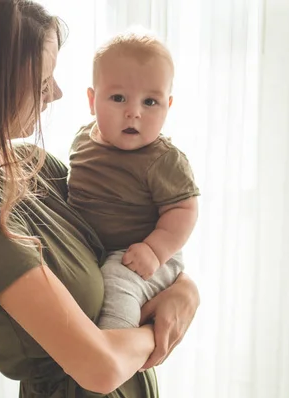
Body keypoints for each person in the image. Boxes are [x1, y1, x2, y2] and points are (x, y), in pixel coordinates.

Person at [0, 0, 199, 397]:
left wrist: (185, 290)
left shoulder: (36, 166)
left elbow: (126, 232)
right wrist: (164, 323)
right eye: (43, 80)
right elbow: (99, 368)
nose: (58, 93)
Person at [68, 32, 199, 330]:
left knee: (117, 280)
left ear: (168, 105)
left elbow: (184, 210)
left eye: (150, 102)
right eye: (118, 98)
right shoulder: (82, 141)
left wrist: (154, 250)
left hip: (146, 254)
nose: (134, 113)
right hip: (94, 249)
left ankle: (115, 343)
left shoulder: (162, 159)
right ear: (92, 100)